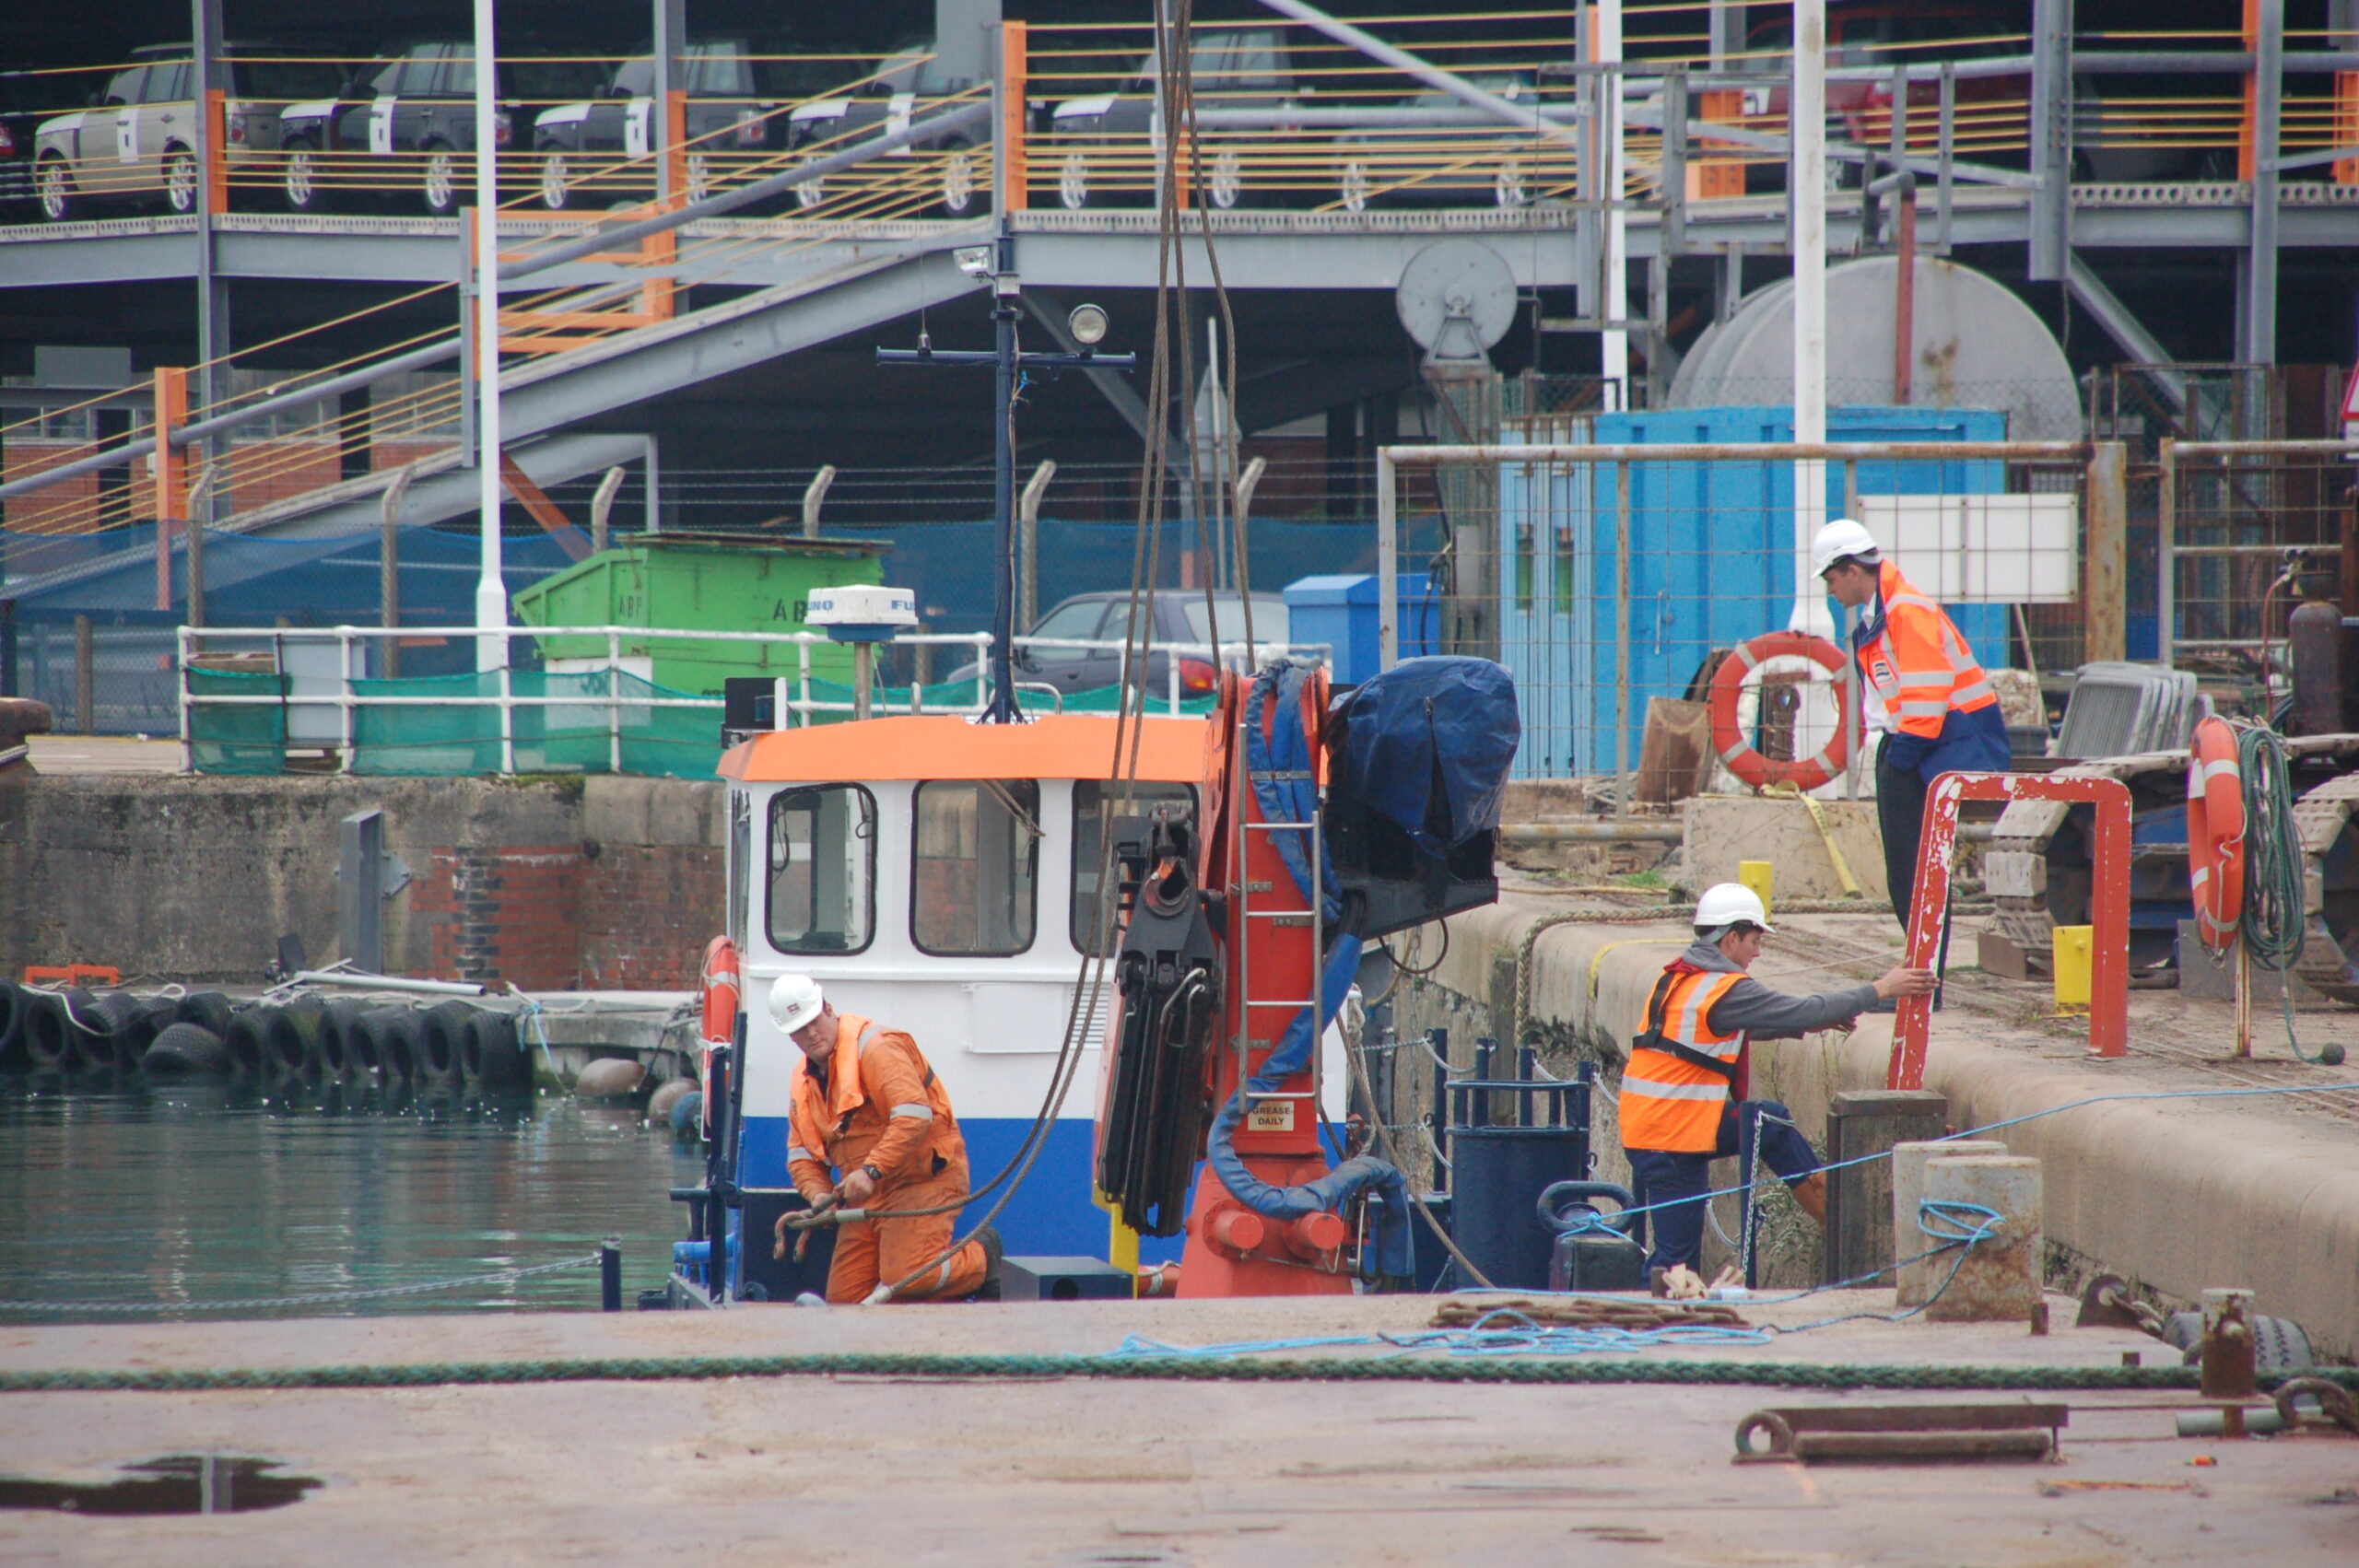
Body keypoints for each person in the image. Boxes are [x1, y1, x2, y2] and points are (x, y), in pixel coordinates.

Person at [1618, 883, 1937, 1281]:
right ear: (1731, 938)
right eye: (1754, 940)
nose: (1758, 951)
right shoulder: (1724, 988)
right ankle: (1832, 1215)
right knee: (1674, 1263)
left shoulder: (1680, 979)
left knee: (1767, 1123)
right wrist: (1880, 990)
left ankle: (1828, 1209)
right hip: (1674, 1134)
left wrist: (1813, 1024)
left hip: (1656, 1125)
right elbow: (1798, 1010)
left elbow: (1724, 1034)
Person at [1813, 518, 2012, 931]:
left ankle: (1923, 983)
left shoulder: (1905, 611)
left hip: (1931, 746)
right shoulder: (1885, 612)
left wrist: (1900, 759)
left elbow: (1927, 697)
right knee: (1910, 874)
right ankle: (1920, 976)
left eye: (1831, 578)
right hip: (1921, 744)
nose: (1830, 590)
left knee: (1914, 874)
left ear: (1852, 570)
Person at [769, 976, 1001, 1304]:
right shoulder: (803, 1083)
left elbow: (913, 1116)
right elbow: (800, 1154)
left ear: (828, 1009)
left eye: (814, 1021)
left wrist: (871, 1171)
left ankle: (983, 1259)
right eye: (799, 1029)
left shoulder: (876, 1048)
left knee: (906, 1277)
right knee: (845, 1301)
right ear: (789, 1035)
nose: (811, 1033)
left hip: (919, 1180)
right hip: (864, 1195)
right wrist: (821, 1198)